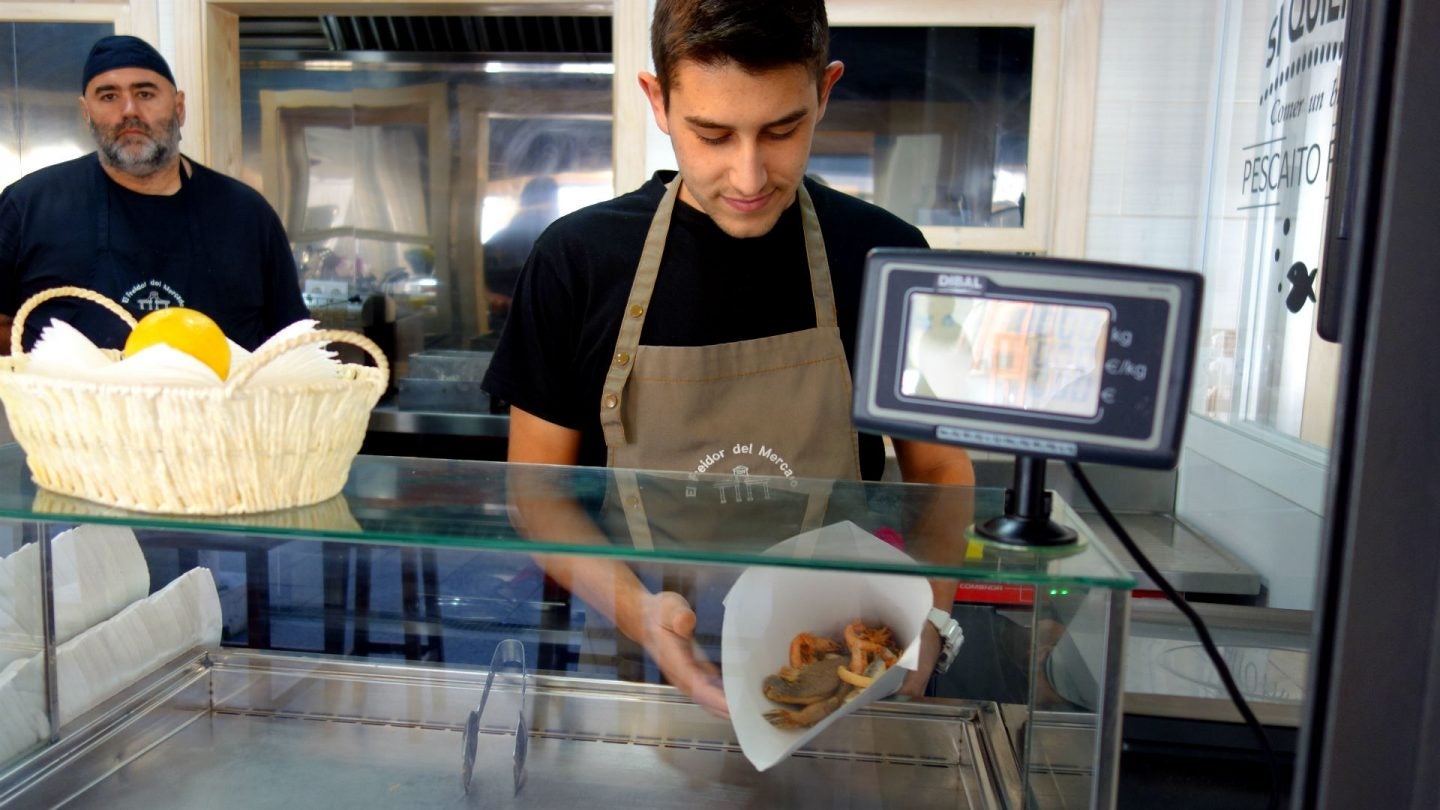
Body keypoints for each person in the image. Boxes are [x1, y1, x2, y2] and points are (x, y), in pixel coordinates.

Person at [482, 0, 974, 716]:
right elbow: (537, 494)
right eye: (712, 134)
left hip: (836, 677)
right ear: (658, 100)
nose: (748, 176)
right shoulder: (579, 261)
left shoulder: (880, 258)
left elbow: (938, 473)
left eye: (783, 129)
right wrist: (642, 617)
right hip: (636, 670)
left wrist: (929, 621)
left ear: (825, 91)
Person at [0, 35, 307, 353]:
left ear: (179, 107)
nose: (129, 111)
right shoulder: (28, 206)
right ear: (86, 112)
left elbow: (292, 343)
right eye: (108, 96)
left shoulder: (247, 214)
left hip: (217, 403)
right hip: (75, 403)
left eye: (145, 93)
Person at [482, 176, 559, 337]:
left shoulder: (500, 238)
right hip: (520, 325)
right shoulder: (551, 239)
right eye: (553, 201)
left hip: (512, 324)